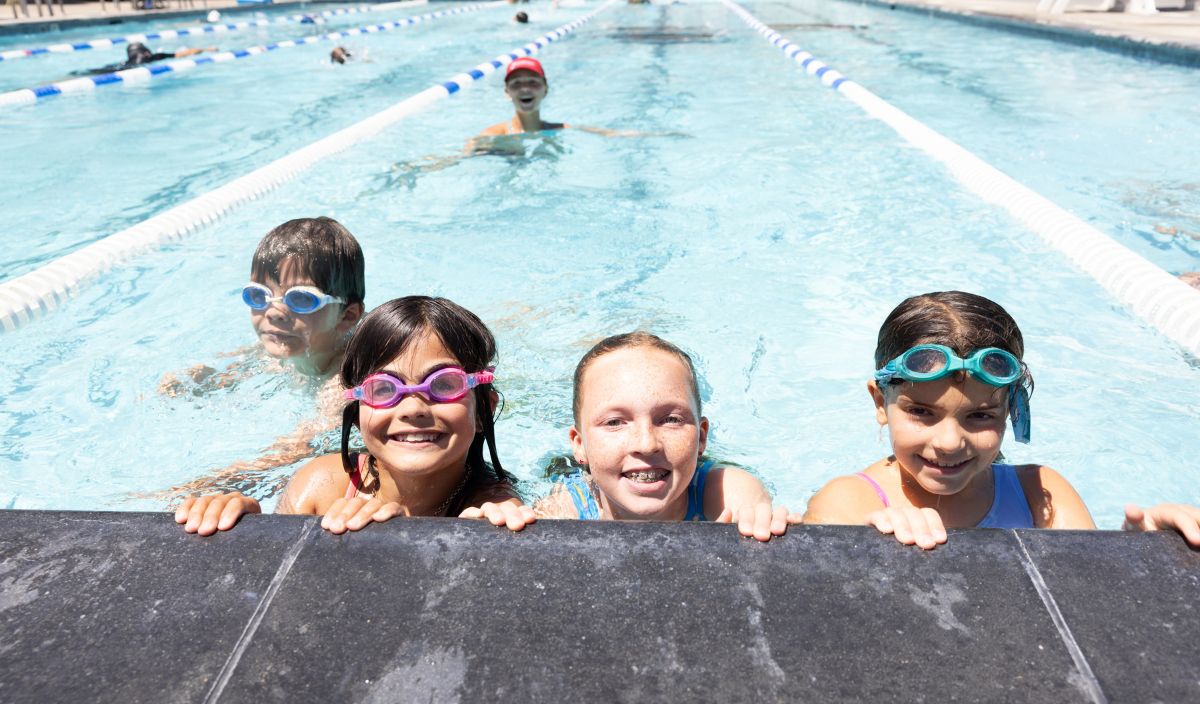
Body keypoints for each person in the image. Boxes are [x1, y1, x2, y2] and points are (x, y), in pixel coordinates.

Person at [802, 291, 1200, 549]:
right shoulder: (849, 503)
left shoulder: (1041, 493)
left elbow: (1089, 597)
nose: (949, 442)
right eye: (921, 412)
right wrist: (868, 549)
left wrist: (1143, 550)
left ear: (1010, 410)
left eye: (979, 416)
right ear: (879, 402)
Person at [176, 296, 536, 535]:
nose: (413, 408)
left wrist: (487, 538)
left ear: (483, 408)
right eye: (384, 389)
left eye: (443, 385)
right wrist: (244, 525)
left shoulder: (489, 507)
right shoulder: (320, 486)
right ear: (357, 410)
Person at [156, 217, 365, 497]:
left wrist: (206, 488)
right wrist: (202, 379)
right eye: (258, 296)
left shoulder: (342, 383)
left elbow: (297, 449)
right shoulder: (282, 345)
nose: (274, 312)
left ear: (347, 316)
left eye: (301, 299)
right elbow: (240, 365)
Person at [535, 332, 789, 542]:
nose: (646, 444)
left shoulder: (725, 492)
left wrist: (757, 525)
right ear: (579, 445)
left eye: (670, 420)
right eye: (614, 422)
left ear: (701, 438)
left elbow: (750, 509)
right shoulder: (563, 510)